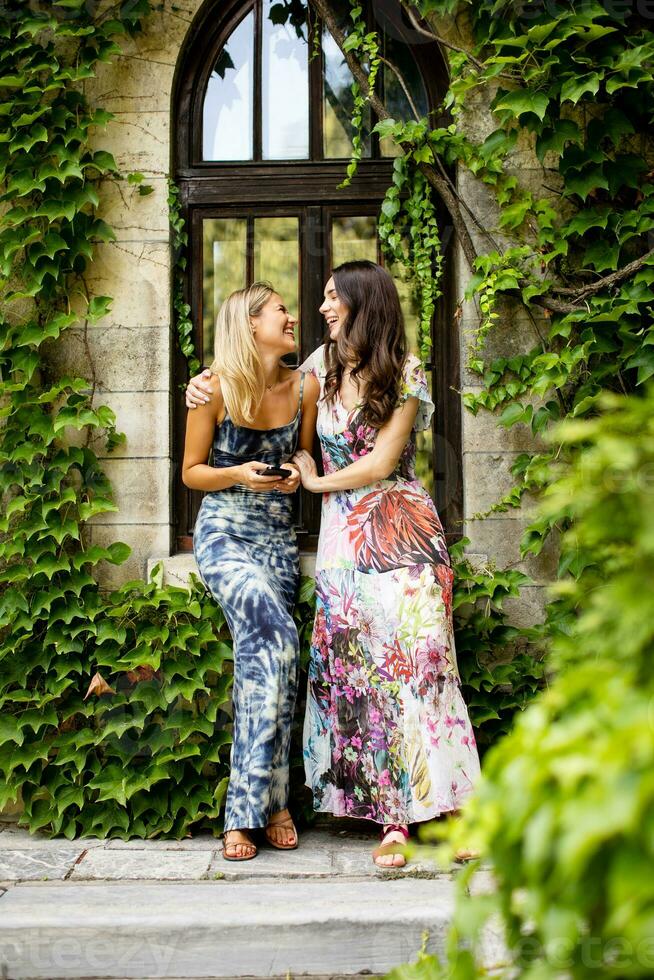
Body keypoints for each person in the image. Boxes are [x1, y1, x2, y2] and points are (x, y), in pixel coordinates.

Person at [186, 262, 480, 869]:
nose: (319, 307)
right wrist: (202, 382)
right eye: (318, 299)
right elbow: (278, 410)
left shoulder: (407, 373)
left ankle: (456, 809)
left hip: (403, 526)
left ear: (360, 302)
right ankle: (393, 820)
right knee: (365, 669)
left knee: (427, 660)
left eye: (330, 297)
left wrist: (314, 482)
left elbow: (380, 464)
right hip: (345, 535)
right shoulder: (318, 369)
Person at [182, 281, 318, 861]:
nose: (292, 319)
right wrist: (237, 474)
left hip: (277, 538)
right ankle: (250, 808)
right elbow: (191, 472)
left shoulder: (305, 386)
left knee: (275, 654)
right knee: (276, 634)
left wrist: (291, 473)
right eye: (281, 311)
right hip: (225, 533)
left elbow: (305, 456)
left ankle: (275, 800)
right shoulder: (211, 389)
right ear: (251, 323)